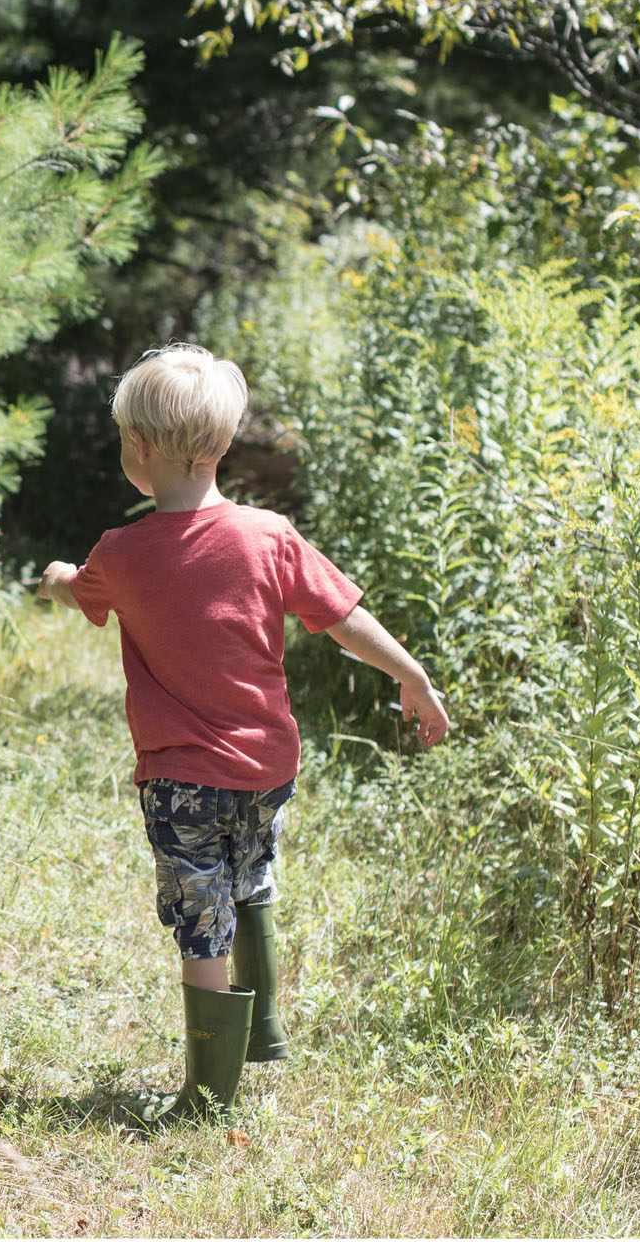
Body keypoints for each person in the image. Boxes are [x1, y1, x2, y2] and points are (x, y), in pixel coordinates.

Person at [33, 342, 450, 1126]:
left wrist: (53, 575)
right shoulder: (269, 535)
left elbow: (77, 591)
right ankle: (261, 1030)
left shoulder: (120, 554)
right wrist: (413, 676)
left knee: (200, 915)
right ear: (220, 447)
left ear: (140, 449)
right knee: (248, 877)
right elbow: (344, 621)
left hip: (182, 777)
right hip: (267, 767)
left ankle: (207, 1094)